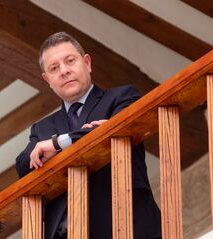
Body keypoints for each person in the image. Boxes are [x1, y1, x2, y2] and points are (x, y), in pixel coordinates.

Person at [15, 32, 161, 239]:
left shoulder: (122, 97)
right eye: (54, 68)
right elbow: (23, 166)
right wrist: (88, 133)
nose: (64, 71)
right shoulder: (42, 128)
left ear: (87, 63)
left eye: (70, 61)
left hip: (126, 225)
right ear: (47, 80)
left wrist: (57, 144)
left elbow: (113, 131)